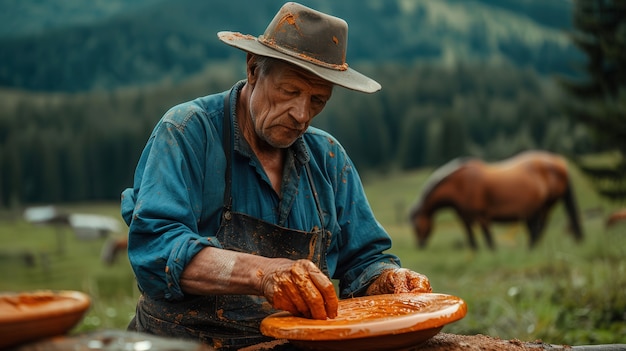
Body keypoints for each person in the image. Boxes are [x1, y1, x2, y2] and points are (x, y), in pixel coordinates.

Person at [121, 2, 432, 349]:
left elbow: (365, 260)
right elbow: (157, 250)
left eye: (317, 100)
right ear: (254, 69)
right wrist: (263, 273)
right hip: (181, 344)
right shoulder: (186, 132)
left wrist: (387, 279)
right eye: (290, 92)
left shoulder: (328, 158)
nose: (301, 115)